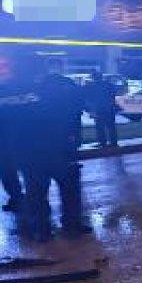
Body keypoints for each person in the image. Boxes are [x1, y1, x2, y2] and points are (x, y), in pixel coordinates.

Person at [4, 59, 89, 240]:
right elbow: (73, 111)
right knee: (68, 190)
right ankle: (70, 225)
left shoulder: (8, 90)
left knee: (36, 192)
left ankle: (42, 230)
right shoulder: (58, 85)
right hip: (57, 147)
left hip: (30, 150)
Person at [0, 57, 24, 214]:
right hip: (19, 137)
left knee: (7, 171)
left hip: (6, 139)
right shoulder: (20, 88)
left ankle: (17, 198)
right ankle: (26, 199)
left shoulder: (17, 88)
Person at [82, 72, 118, 147]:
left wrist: (90, 109)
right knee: (111, 126)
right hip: (109, 109)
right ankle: (114, 142)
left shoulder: (92, 86)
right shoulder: (108, 85)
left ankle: (102, 142)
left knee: (100, 126)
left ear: (94, 78)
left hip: (99, 109)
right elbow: (114, 94)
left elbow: (88, 97)